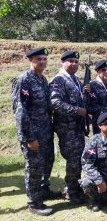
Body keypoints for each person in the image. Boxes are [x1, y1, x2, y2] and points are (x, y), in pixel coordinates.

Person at [12, 47, 61, 216]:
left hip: (45, 131)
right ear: (30, 61)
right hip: (32, 134)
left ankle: (44, 190)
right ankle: (34, 202)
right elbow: (20, 112)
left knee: (48, 161)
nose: (42, 62)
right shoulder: (23, 80)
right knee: (34, 167)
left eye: (44, 59)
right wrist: (28, 137)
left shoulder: (43, 79)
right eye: (38, 59)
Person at [49, 51, 87, 204]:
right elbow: (55, 103)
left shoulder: (75, 80)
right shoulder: (59, 80)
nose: (74, 64)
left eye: (76, 61)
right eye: (70, 61)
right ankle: (70, 191)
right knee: (73, 160)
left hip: (77, 128)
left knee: (78, 159)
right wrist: (77, 110)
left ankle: (75, 187)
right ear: (62, 62)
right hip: (67, 129)